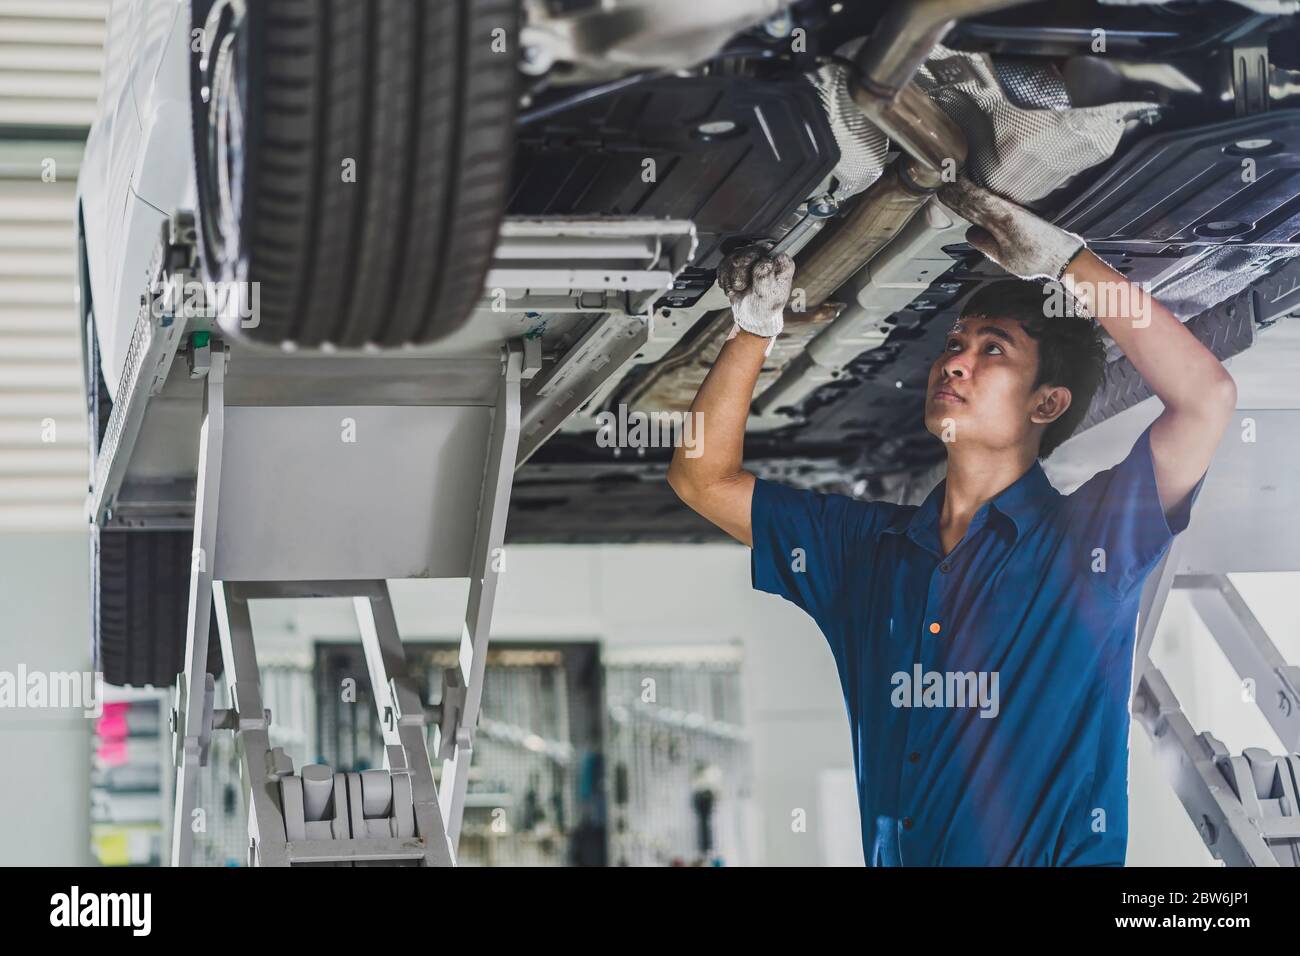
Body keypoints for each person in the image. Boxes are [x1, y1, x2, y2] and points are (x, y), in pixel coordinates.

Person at [667, 177, 1236, 866]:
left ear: (1047, 405)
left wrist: (1069, 264)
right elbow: (703, 479)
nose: (955, 361)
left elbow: (1206, 397)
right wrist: (753, 331)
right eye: (956, 342)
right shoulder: (866, 551)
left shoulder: (1091, 546)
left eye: (992, 349)